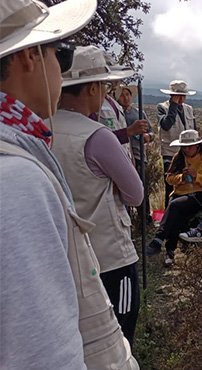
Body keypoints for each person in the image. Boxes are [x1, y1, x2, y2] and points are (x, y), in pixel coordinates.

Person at [0, 0, 138, 368]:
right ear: (28, 57)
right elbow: (44, 348)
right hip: (111, 254)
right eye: (57, 54)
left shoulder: (34, 140)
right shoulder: (17, 177)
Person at [52, 45, 144, 347]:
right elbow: (136, 194)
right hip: (110, 256)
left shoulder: (42, 129)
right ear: (92, 87)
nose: (105, 92)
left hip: (65, 258)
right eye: (104, 86)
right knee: (118, 340)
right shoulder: (96, 135)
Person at [146, 129, 202, 265]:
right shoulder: (178, 158)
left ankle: (160, 241)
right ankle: (168, 252)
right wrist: (182, 178)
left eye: (190, 146)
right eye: (184, 147)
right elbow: (169, 179)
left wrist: (196, 176)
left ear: (197, 145)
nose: (187, 149)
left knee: (174, 206)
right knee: (175, 212)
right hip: (179, 194)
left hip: (199, 196)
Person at [117, 83, 154, 225]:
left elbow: (151, 132)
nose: (126, 98)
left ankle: (145, 219)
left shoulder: (139, 113)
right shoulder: (117, 114)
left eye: (128, 94)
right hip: (124, 156)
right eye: (122, 95)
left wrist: (148, 137)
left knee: (142, 188)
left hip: (139, 156)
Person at [158, 80, 196, 208]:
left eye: (183, 95)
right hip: (170, 153)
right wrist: (173, 106)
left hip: (188, 154)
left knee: (188, 185)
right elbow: (166, 125)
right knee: (171, 187)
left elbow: (194, 132)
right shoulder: (162, 108)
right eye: (178, 96)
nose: (181, 98)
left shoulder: (189, 109)